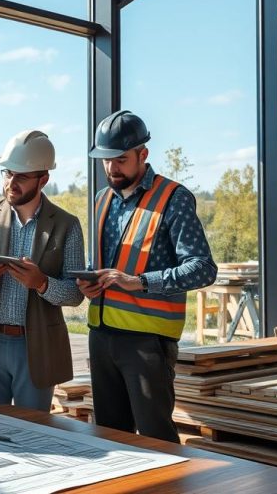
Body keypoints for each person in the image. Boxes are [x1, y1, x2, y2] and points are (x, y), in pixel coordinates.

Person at [79, 109, 217, 443]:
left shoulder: (174, 199)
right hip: (101, 337)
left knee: (156, 439)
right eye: (106, 160)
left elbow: (203, 268)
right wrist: (87, 282)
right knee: (110, 440)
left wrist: (140, 281)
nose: (112, 168)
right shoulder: (101, 200)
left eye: (121, 159)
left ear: (143, 154)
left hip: (147, 343)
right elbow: (100, 263)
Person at [0, 130, 86, 412]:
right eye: (7, 173)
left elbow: (75, 294)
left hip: (37, 347)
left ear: (43, 179)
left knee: (34, 431)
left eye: (21, 177)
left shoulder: (67, 225)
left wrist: (41, 283)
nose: (10, 183)